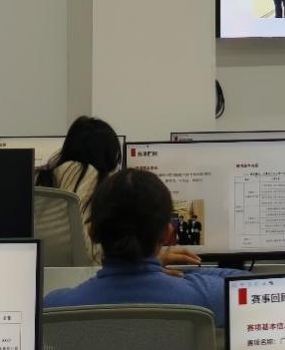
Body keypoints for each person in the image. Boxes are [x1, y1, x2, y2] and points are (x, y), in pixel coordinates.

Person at [44, 169, 236, 327]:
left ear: (92, 232)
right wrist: (176, 272)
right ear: (167, 234)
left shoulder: (55, 308)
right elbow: (248, 281)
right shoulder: (208, 297)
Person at [35, 116, 123, 262]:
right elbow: (91, 250)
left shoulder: (38, 177)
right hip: (83, 268)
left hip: (37, 267)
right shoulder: (93, 176)